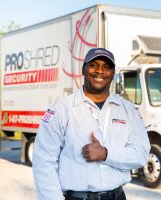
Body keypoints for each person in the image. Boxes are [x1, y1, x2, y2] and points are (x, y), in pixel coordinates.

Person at [33, 48, 150, 200]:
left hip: (118, 196)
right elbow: (44, 163)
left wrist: (106, 154)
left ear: (112, 74)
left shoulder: (128, 111)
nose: (100, 71)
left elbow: (141, 154)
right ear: (84, 69)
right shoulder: (61, 110)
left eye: (107, 67)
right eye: (94, 65)